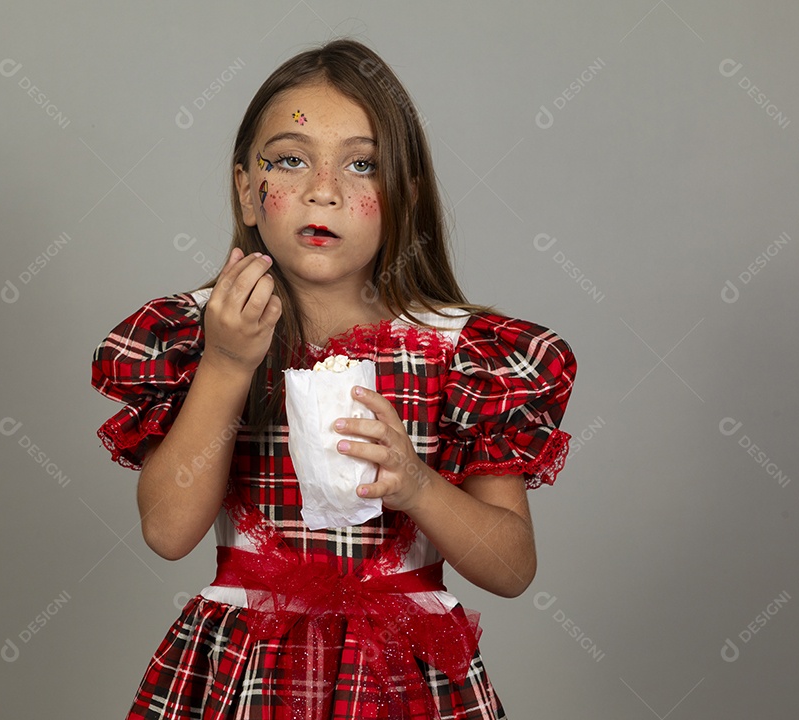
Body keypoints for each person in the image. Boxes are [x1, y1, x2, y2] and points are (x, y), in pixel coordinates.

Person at [91, 38, 577, 720]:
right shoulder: (198, 332)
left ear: (403, 197)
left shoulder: (463, 354)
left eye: (363, 165)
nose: (324, 189)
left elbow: (512, 568)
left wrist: (416, 484)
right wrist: (229, 364)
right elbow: (169, 531)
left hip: (403, 678)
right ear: (247, 192)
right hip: (245, 672)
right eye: (291, 160)